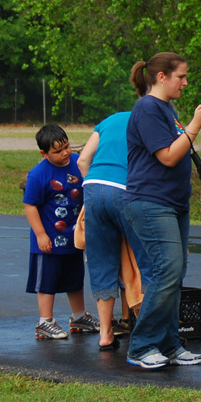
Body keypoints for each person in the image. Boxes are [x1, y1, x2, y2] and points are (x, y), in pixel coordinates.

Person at [122, 52, 201, 369]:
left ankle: (170, 344)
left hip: (174, 205)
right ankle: (141, 346)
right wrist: (195, 126)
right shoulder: (147, 108)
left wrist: (189, 126)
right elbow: (168, 157)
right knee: (167, 272)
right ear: (162, 77)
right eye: (181, 77)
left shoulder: (166, 108)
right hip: (150, 203)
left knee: (175, 275)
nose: (185, 83)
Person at [76, 66, 147, 350]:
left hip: (93, 188)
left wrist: (91, 191)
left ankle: (105, 334)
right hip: (126, 191)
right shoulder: (152, 120)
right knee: (144, 261)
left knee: (102, 262)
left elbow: (82, 160)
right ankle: (145, 328)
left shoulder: (110, 119)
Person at [24, 124, 98, 340]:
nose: (65, 153)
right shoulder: (38, 174)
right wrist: (40, 235)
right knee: (47, 281)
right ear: (44, 153)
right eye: (57, 151)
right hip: (49, 240)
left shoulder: (78, 162)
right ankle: (44, 321)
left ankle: (78, 317)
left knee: (75, 278)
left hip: (73, 237)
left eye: (66, 147)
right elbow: (30, 206)